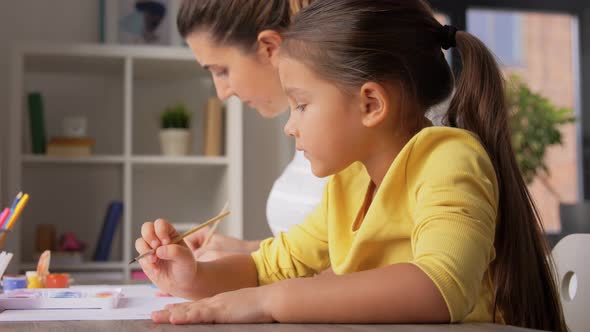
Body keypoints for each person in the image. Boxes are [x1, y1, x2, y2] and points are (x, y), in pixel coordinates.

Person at [135, 0, 567, 330]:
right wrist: (193, 277)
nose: (290, 126)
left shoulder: (448, 158)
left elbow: (440, 286)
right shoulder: (349, 182)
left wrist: (270, 302)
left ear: (370, 103)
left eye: (301, 105)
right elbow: (268, 265)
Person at [165, 0, 326, 262]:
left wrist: (243, 291)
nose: (222, 92)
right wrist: (246, 252)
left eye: (221, 71)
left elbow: (357, 268)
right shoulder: (304, 132)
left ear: (269, 48)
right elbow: (318, 256)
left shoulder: (344, 136)